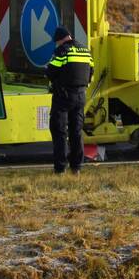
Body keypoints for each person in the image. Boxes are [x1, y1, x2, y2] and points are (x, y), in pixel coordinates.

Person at [46, 25, 94, 173]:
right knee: (76, 132)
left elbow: (51, 71)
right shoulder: (85, 50)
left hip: (63, 96)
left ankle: (60, 169)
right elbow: (91, 71)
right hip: (81, 95)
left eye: (57, 42)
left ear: (60, 40)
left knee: (59, 131)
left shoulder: (62, 51)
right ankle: (76, 167)